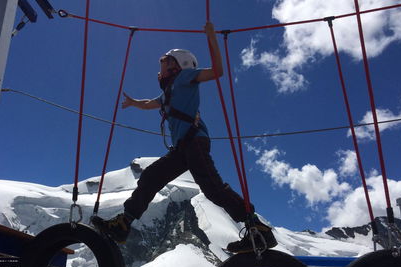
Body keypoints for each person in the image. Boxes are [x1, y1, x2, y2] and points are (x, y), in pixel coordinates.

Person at [92, 22, 276, 254]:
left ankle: (258, 229)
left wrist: (211, 38)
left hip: (194, 142)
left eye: (165, 63)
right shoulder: (168, 91)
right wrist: (134, 103)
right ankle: (123, 224)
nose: (160, 69)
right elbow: (150, 104)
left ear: (177, 65)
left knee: (213, 188)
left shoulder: (186, 76)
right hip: (184, 146)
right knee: (151, 177)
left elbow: (217, 71)